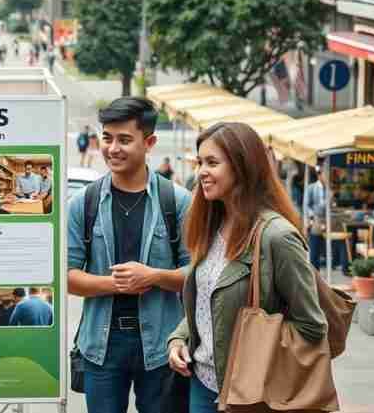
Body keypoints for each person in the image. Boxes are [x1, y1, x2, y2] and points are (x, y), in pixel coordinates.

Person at [167, 122, 326, 413]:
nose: (201, 170)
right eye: (200, 161)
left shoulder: (277, 237)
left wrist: (255, 355)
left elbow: (312, 326)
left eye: (212, 162)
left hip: (252, 396)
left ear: (242, 167)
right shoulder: (210, 226)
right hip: (202, 385)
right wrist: (180, 338)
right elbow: (206, 300)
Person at [67, 97, 192, 413]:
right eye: (107, 138)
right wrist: (117, 284)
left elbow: (198, 274)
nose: (112, 148)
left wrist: (154, 276)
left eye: (124, 140)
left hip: (164, 345)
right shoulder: (84, 203)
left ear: (149, 142)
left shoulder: (177, 201)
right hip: (101, 346)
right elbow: (67, 277)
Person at [304, 167, 349, 275]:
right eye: (326, 174)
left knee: (342, 239)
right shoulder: (311, 188)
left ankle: (344, 267)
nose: (328, 177)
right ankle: (315, 271)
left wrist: (335, 207)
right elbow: (307, 206)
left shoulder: (330, 189)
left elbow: (332, 206)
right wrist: (311, 218)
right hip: (317, 220)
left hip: (330, 219)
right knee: (315, 245)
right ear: (319, 175)